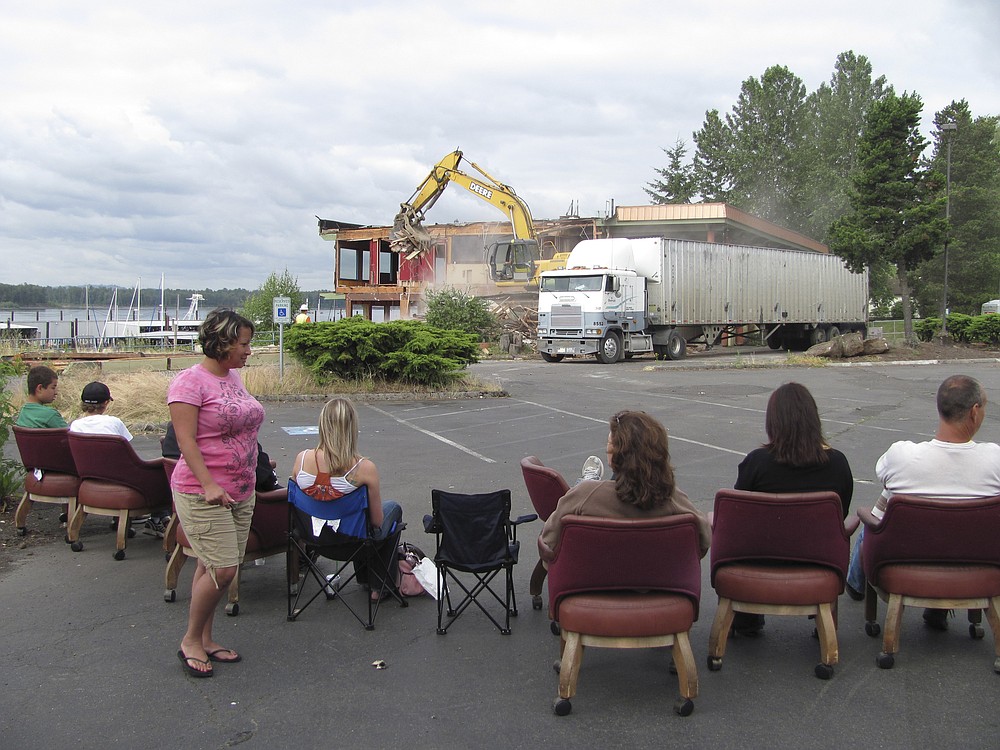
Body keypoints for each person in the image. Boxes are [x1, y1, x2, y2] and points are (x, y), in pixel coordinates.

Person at [846, 374, 1000, 629]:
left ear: (940, 408)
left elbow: (885, 478)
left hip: (908, 559)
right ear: (975, 411)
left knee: (888, 499)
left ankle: (855, 581)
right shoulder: (995, 460)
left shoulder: (901, 455)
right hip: (976, 561)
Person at [168, 308, 265, 678]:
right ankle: (191, 640)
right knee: (223, 569)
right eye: (243, 344)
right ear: (222, 341)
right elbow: (185, 440)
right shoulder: (189, 383)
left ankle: (207, 638)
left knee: (212, 564)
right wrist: (209, 484)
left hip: (241, 490)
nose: (248, 351)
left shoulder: (234, 378)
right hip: (203, 491)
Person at [730, 382, 854, 635]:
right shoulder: (838, 464)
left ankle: (747, 617)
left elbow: (738, 515)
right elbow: (841, 516)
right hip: (819, 560)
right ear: (813, 420)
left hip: (762, 560)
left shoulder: (757, 463)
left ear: (773, 422)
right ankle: (823, 619)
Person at [538, 410, 711, 563]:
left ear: (613, 455)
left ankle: (587, 477)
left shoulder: (585, 496)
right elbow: (703, 542)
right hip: (658, 588)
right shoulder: (673, 499)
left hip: (591, 587)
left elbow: (548, 543)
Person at [291, 397, 403, 597]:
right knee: (392, 509)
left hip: (313, 538)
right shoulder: (364, 469)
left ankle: (368, 580)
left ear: (322, 424)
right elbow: (376, 522)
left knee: (356, 519)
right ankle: (379, 586)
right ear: (352, 428)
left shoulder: (301, 460)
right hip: (354, 541)